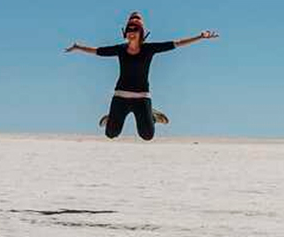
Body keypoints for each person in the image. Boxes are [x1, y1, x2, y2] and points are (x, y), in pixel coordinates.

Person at [65, 12, 218, 141]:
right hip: (121, 97)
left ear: (141, 33)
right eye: (129, 29)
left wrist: (200, 37)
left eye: (135, 29)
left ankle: (152, 116)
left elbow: (176, 44)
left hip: (142, 98)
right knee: (111, 133)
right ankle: (112, 118)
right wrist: (78, 47)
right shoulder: (120, 49)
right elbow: (97, 51)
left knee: (147, 136)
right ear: (125, 32)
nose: (132, 32)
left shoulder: (149, 49)